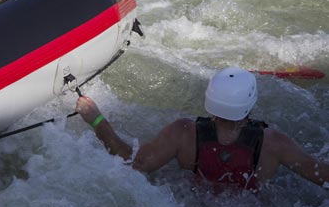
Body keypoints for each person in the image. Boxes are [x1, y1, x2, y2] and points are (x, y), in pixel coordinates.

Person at [76, 67, 329, 191]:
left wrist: (97, 120)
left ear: (209, 99)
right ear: (251, 103)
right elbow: (321, 176)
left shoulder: (183, 133)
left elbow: (133, 164)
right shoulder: (274, 144)